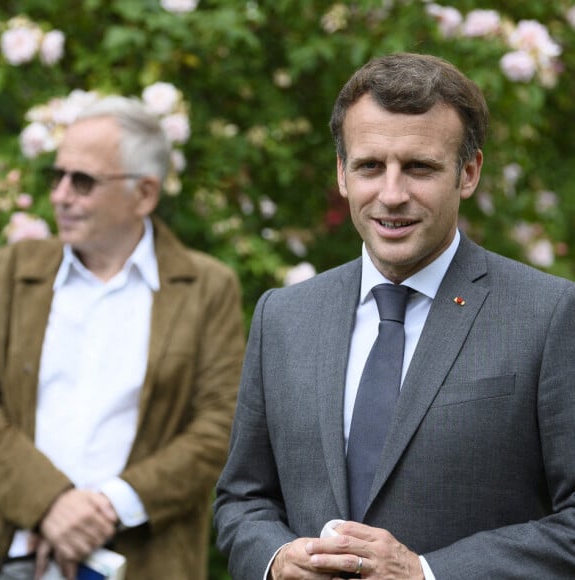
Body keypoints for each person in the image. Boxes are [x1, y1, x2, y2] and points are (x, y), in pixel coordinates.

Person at [213, 52, 575, 579]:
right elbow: (241, 501)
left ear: (468, 173)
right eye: (369, 166)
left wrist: (427, 573)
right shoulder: (283, 316)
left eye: (419, 167)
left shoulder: (549, 314)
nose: (391, 194)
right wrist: (276, 559)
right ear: (342, 173)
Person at [0, 95, 245, 580]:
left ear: (145, 194)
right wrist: (48, 501)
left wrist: (108, 506)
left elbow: (222, 426)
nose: (61, 195)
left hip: (141, 560)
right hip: (15, 551)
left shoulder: (206, 287)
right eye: (58, 176)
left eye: (83, 181)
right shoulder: (8, 273)